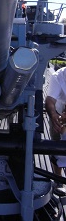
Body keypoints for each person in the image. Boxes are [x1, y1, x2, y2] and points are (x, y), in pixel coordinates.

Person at [45, 65, 66, 196]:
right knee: (56, 146)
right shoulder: (58, 76)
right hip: (59, 113)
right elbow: (49, 101)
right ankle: (58, 180)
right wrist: (54, 116)